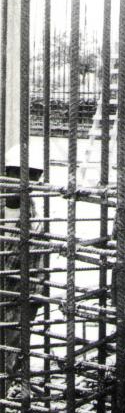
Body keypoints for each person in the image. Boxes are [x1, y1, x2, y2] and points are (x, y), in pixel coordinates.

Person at [1, 144, 45, 379]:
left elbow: (38, 271)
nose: (20, 181)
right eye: (14, 172)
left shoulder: (37, 220)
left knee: (7, 361)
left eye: (29, 175)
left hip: (17, 302)